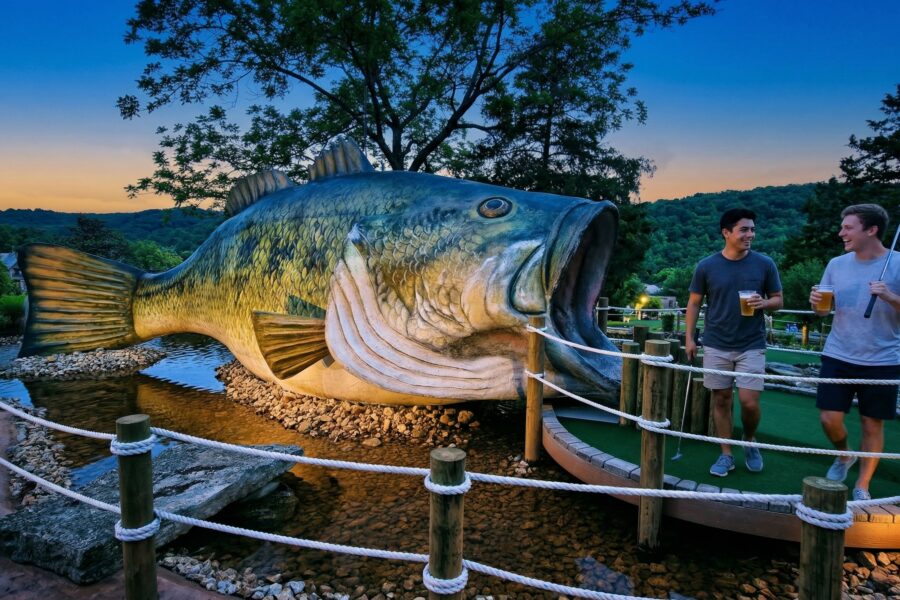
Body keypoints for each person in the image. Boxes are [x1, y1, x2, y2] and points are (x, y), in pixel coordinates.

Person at [809, 203, 900, 501]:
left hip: (883, 358)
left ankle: (862, 485)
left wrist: (890, 296)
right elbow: (823, 312)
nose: (841, 233)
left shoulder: (898, 264)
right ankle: (845, 454)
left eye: (848, 228)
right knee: (829, 418)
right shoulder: (836, 264)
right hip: (838, 353)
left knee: (872, 423)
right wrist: (817, 305)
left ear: (871, 230)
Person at [685, 208, 783, 477]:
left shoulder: (765, 263)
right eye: (744, 230)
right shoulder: (706, 266)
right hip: (716, 343)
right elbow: (694, 303)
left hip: (751, 343)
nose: (750, 234)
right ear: (726, 233)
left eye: (752, 229)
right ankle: (726, 454)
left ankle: (749, 440)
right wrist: (690, 338)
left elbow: (778, 300)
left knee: (750, 402)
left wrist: (764, 303)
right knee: (721, 399)